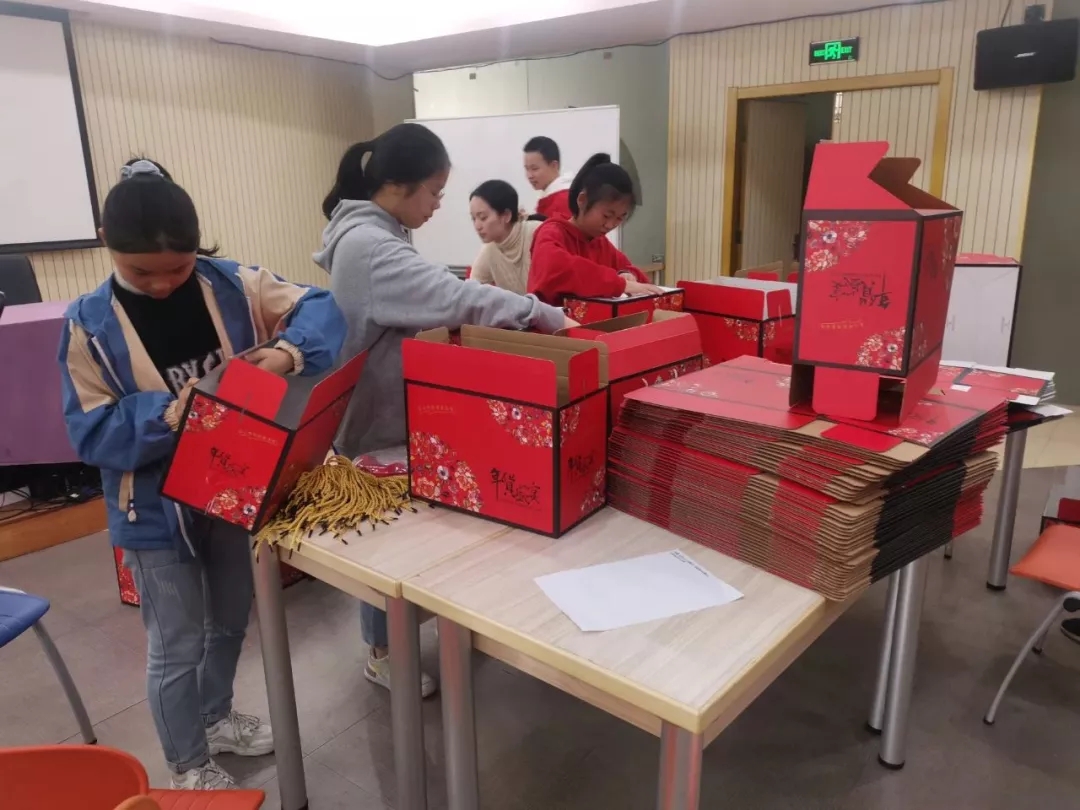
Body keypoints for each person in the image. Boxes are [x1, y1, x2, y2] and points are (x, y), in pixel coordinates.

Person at [58, 158, 346, 791]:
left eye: (177, 269)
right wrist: (172, 412)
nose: (162, 285)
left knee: (229, 621)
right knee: (175, 643)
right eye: (141, 272)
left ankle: (215, 719)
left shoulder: (232, 285)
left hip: (230, 487)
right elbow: (91, 431)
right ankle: (187, 764)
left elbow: (321, 307)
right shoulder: (89, 325)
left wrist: (284, 352)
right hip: (154, 511)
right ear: (109, 247)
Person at [315, 123, 572, 696]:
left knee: (410, 538)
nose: (437, 206)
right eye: (433, 192)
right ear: (396, 185)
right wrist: (541, 313)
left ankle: (411, 637)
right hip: (375, 422)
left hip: (395, 413)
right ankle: (384, 654)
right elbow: (456, 298)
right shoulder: (369, 245)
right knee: (387, 550)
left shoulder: (379, 234)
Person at [528, 152, 662, 306]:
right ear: (582, 200)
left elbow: (629, 269)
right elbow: (557, 269)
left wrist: (627, 275)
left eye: (619, 218)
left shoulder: (601, 243)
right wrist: (619, 284)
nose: (611, 225)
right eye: (606, 216)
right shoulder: (552, 232)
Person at [468, 179, 540, 295]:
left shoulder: (537, 233)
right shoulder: (489, 250)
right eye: (473, 218)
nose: (477, 226)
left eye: (483, 218)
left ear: (506, 215)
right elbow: (471, 293)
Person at [523, 136, 574, 221]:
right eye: (527, 169)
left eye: (534, 169)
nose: (529, 175)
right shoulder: (548, 197)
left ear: (554, 166)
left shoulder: (564, 201)